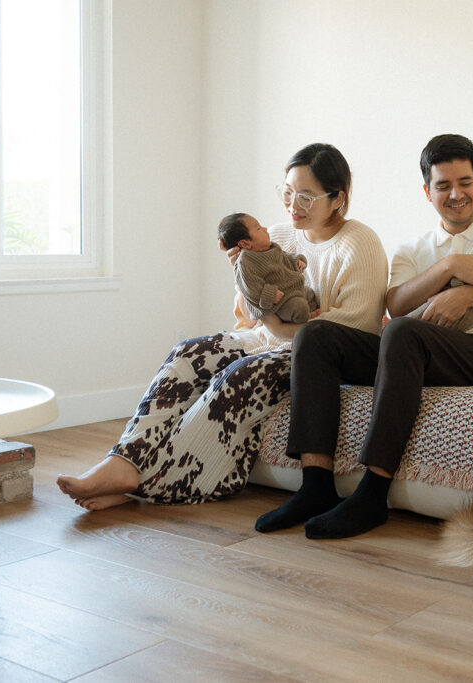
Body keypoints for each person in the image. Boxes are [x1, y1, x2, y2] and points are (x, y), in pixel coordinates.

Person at [255, 133, 473, 538]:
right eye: (443, 185)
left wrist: (466, 295)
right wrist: (451, 265)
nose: (456, 194)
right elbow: (396, 304)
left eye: (465, 182)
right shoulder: (414, 249)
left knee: (402, 333)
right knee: (315, 335)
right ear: (427, 192)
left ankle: (372, 494)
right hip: (415, 352)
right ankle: (315, 486)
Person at [56, 143, 388, 510]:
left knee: (239, 375)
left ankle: (142, 484)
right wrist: (240, 275)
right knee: (187, 352)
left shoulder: (359, 242)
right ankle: (123, 461)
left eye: (306, 197)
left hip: (316, 356)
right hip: (266, 338)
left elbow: (357, 324)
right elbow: (251, 315)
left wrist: (279, 329)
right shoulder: (276, 236)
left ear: (338, 198)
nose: (293, 205)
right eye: (287, 193)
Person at [218, 212, 319, 324]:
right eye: (258, 228)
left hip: (292, 290)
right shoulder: (245, 262)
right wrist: (270, 295)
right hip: (278, 302)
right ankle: (302, 319)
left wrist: (296, 262)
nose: (265, 229)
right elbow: (251, 287)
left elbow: (284, 257)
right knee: (299, 307)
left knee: (309, 293)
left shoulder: (272, 247)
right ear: (245, 244)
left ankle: (309, 314)